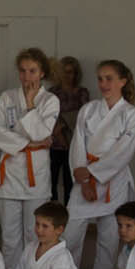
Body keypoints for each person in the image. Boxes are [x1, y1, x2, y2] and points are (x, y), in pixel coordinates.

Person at [64, 60, 135, 269]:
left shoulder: (132, 115)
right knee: (70, 235)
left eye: (109, 78)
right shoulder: (88, 110)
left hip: (113, 181)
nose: (104, 84)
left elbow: (122, 153)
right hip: (84, 178)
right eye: (100, 78)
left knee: (109, 239)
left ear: (123, 81)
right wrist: (83, 178)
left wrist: (93, 175)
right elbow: (77, 144)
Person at [0, 49, 60, 269]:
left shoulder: (50, 101)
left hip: (36, 176)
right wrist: (28, 144)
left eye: (32, 71)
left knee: (35, 233)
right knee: (10, 235)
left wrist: (31, 104)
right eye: (22, 71)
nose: (26, 76)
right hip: (10, 174)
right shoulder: (7, 97)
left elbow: (42, 133)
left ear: (42, 73)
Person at [48, 56, 89, 205]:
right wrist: (57, 130)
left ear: (76, 74)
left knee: (70, 183)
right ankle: (51, 213)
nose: (67, 76)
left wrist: (64, 123)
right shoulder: (52, 92)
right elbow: (46, 116)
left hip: (73, 144)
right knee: (49, 182)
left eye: (70, 72)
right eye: (64, 72)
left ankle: (69, 213)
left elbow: (84, 116)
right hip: (53, 143)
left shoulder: (81, 93)